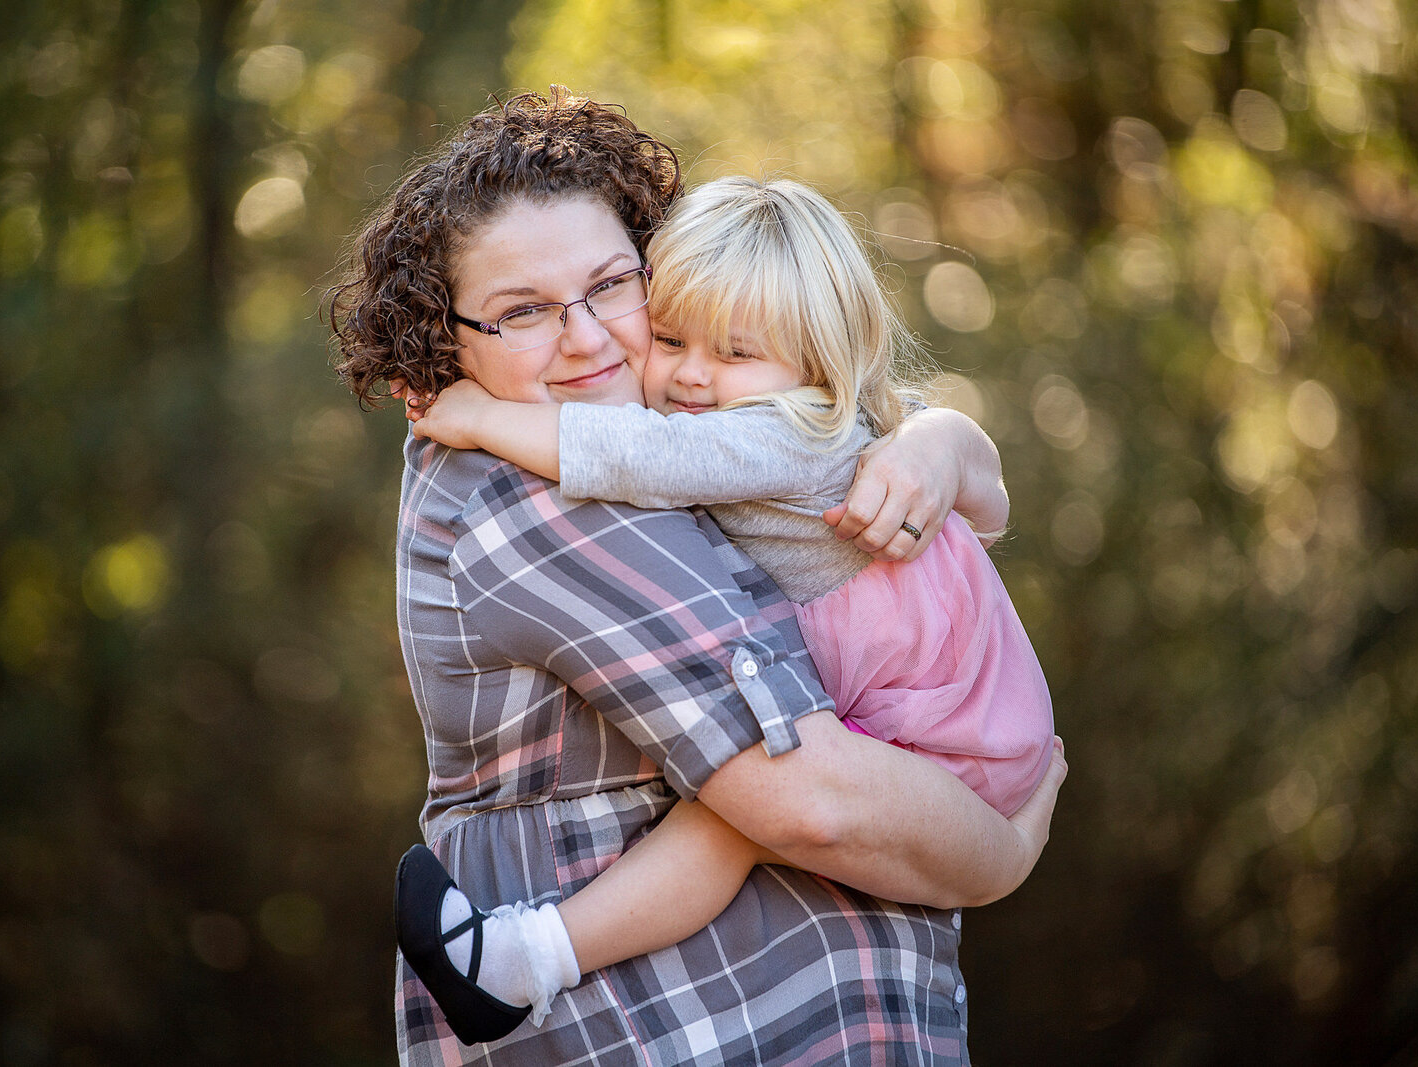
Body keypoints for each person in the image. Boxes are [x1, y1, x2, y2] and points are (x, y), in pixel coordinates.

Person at [327, 88, 1065, 1065]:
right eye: (522, 311)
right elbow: (812, 797)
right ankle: (523, 958)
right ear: (443, 334)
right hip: (689, 1033)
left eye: (609, 286)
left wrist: (940, 442)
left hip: (841, 972)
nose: (588, 338)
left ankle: (524, 957)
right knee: (734, 818)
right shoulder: (539, 500)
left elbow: (900, 456)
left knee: (729, 821)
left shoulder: (712, 432)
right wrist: (1003, 852)